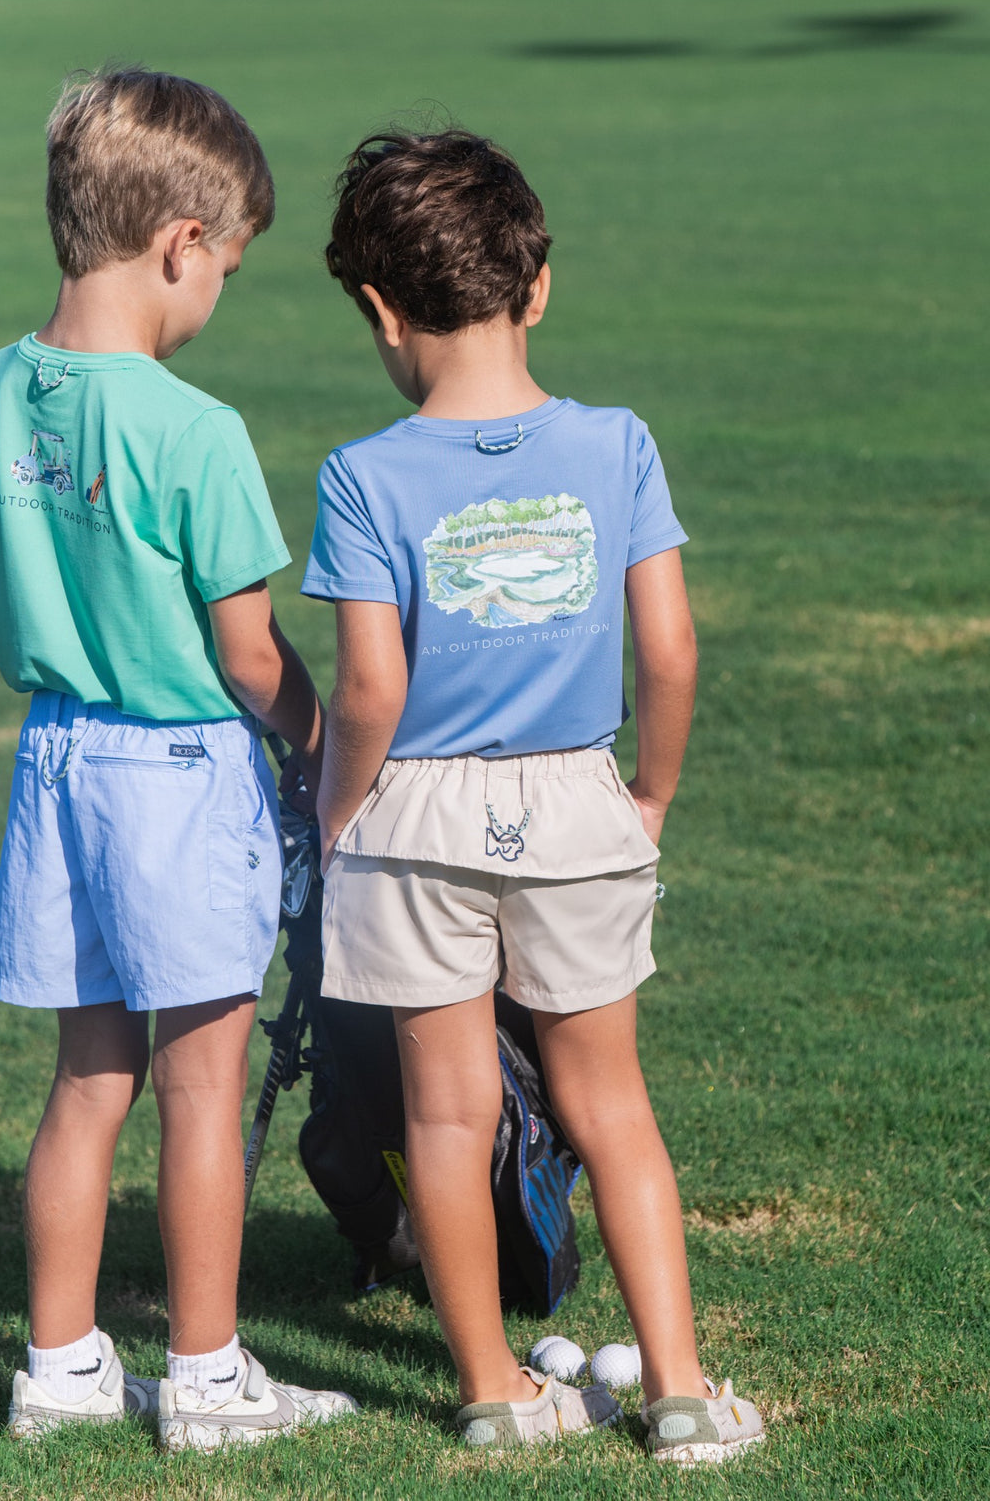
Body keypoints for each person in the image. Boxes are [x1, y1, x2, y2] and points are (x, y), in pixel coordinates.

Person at [301, 128, 765, 1463]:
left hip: (414, 819)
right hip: (577, 807)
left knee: (451, 1112)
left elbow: (372, 691)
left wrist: (341, 807)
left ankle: (498, 1393)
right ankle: (677, 1387)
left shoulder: (363, 474)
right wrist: (652, 800)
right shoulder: (616, 445)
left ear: (380, 310)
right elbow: (669, 650)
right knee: (609, 1102)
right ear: (539, 285)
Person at [0, 68, 356, 1452]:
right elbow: (248, 656)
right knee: (201, 1090)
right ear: (183, 242)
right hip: (180, 778)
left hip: (56, 762)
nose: (218, 290)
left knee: (86, 1080)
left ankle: (57, 1366)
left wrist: (53, 652)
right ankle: (209, 1374)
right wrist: (316, 736)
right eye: (227, 267)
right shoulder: (196, 430)